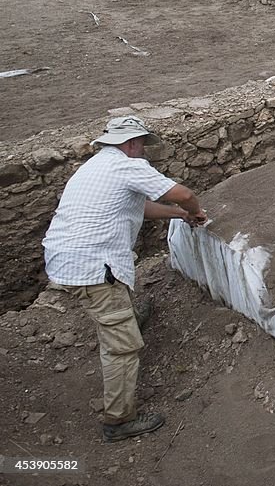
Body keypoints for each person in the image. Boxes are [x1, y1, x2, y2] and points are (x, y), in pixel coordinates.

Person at [43, 116, 207, 442]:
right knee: (122, 348)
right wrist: (195, 210)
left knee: (115, 305)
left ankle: (128, 317)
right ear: (132, 143)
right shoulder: (128, 166)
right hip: (93, 268)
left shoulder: (96, 166)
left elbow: (141, 207)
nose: (144, 151)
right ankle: (118, 420)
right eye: (143, 145)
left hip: (67, 258)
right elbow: (184, 193)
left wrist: (181, 216)